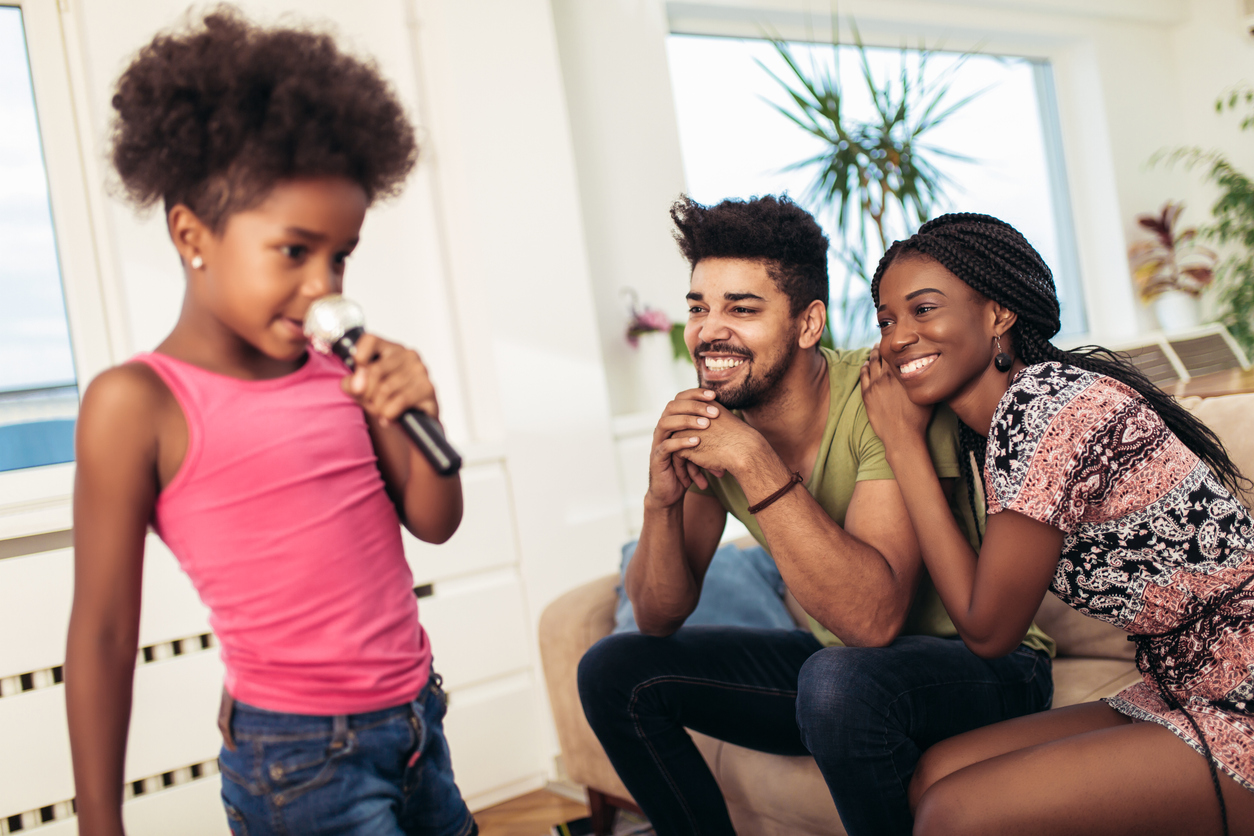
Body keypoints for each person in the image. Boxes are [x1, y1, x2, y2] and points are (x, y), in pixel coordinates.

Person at [64, 11, 475, 836]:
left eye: (341, 255)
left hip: (417, 724)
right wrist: (99, 824)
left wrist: (417, 412)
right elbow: (105, 631)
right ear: (192, 232)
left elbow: (435, 523)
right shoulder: (136, 405)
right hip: (302, 762)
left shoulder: (345, 372)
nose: (325, 286)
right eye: (294, 251)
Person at [578, 195, 1055, 836]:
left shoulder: (886, 394)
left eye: (742, 309)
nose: (710, 331)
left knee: (835, 681)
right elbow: (658, 616)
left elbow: (874, 620)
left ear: (808, 325)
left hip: (987, 670)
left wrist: (753, 461)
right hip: (848, 677)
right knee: (615, 670)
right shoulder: (712, 427)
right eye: (699, 308)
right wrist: (660, 501)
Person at [860, 212, 1254, 836]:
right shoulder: (1001, 430)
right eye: (886, 320)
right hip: (1186, 682)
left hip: (1245, 695)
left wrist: (902, 445)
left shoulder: (1045, 410)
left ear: (997, 315)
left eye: (922, 309)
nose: (897, 337)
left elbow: (989, 631)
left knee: (951, 812)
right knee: (933, 773)